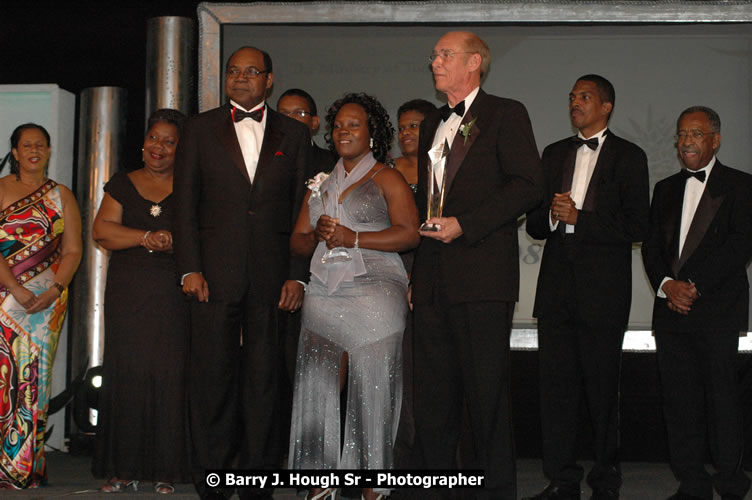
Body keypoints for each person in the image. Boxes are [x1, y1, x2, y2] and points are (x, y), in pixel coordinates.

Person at [172, 46, 311, 500]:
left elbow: (300, 211)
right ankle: (211, 482)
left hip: (273, 280)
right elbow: (185, 205)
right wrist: (190, 267)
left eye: (252, 72)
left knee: (264, 383)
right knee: (211, 382)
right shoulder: (198, 128)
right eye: (233, 71)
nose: (241, 78)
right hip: (212, 275)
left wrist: (298, 275)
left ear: (269, 80)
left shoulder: (294, 133)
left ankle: (256, 485)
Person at [410, 31, 542, 499]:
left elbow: (529, 185)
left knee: (486, 394)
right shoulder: (431, 123)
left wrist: (466, 223)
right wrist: (418, 276)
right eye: (434, 55)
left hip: (482, 276)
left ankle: (491, 489)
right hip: (432, 280)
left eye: (445, 55)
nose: (435, 62)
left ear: (475, 62)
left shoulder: (506, 113)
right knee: (433, 394)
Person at [524, 75, 650, 500]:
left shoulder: (630, 156)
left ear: (607, 106)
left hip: (604, 294)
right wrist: (556, 217)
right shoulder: (555, 152)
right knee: (555, 392)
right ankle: (562, 479)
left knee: (601, 392)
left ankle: (605, 481)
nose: (575, 103)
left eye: (585, 97)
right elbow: (538, 225)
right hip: (556, 292)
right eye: (572, 97)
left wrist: (583, 219)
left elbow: (638, 225)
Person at [288, 92, 419, 500]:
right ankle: (318, 478)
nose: (343, 131)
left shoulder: (387, 177)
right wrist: (316, 235)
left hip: (377, 287)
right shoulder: (322, 182)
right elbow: (296, 241)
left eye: (354, 124)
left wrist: (354, 236)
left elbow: (409, 233)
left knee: (374, 383)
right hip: (327, 287)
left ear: (373, 132)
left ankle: (372, 481)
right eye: (338, 125)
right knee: (316, 378)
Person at [642, 106, 752, 500]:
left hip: (717, 312)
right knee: (679, 404)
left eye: (696, 134)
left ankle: (731, 483)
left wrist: (693, 286)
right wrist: (668, 286)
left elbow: (741, 245)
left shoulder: (742, 185)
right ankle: (692, 483)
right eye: (681, 134)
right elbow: (651, 248)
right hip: (670, 313)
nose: (686, 141)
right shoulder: (664, 189)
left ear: (715, 140)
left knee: (722, 402)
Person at [92, 109, 190, 494]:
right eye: (154, 138)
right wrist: (146, 238)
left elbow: (210, 236)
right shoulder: (122, 182)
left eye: (168, 141)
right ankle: (123, 467)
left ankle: (166, 467)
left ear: (181, 148)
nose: (158, 147)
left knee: (170, 374)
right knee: (127, 373)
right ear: (144, 141)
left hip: (174, 292)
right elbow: (102, 231)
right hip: (128, 290)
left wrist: (174, 241)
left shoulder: (191, 184)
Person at [0, 123, 82, 488]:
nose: (34, 149)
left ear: (49, 151)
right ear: (14, 152)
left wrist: (56, 289)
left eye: (41, 144)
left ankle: (25, 467)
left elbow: (73, 250)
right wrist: (15, 288)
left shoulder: (61, 195)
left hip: (47, 304)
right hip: (4, 299)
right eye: (26, 145)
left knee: (34, 381)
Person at [277, 88, 337, 175]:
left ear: (314, 122)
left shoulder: (333, 162)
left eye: (299, 113)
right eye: (283, 114)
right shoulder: (265, 159)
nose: (290, 119)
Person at [391, 99, 437, 193]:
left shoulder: (446, 165)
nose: (405, 132)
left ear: (433, 128)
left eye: (413, 126)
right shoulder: (388, 168)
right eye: (401, 128)